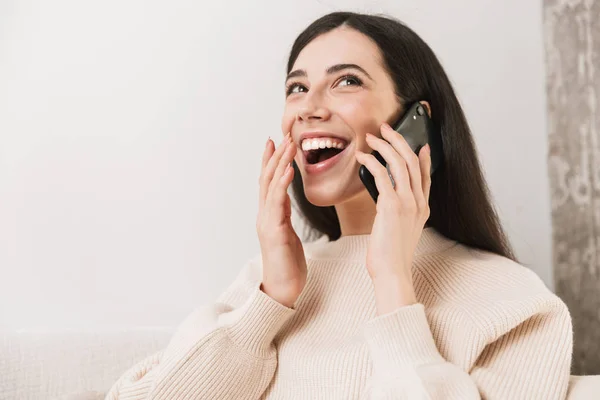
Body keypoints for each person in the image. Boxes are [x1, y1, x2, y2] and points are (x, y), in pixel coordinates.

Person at [105, 11, 573, 400]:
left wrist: (393, 280)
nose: (309, 108)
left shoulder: (510, 300)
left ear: (416, 122)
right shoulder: (262, 286)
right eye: (297, 87)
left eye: (346, 81)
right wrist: (272, 300)